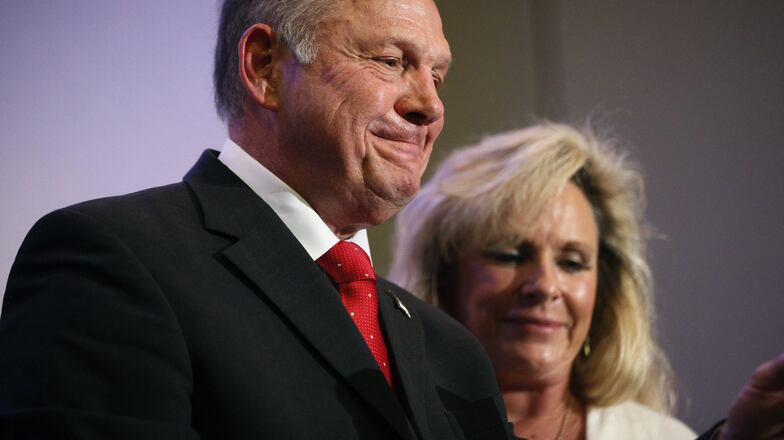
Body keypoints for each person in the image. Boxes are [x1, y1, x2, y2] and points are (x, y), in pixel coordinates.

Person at [0, 0, 513, 439]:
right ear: (265, 66)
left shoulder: (453, 354)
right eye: (390, 61)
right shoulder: (112, 265)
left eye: (437, 76)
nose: (430, 105)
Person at [389, 122, 784, 440]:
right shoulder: (382, 425)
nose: (545, 286)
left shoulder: (659, 437)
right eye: (510, 255)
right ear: (443, 275)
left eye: (572, 262)